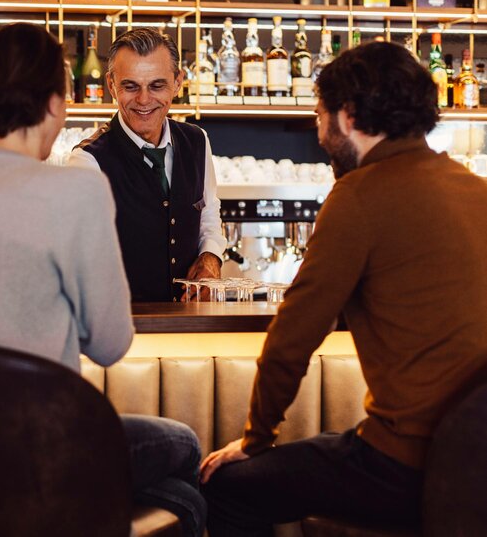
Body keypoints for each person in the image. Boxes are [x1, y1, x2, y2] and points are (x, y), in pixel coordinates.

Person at [0, 23, 206, 537]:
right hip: (44, 443)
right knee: (184, 447)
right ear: (58, 102)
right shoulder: (76, 188)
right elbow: (113, 343)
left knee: (180, 497)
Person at [199, 41, 487, 536]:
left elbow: (293, 336)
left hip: (410, 464)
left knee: (229, 487)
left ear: (348, 116)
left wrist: (255, 439)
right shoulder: (474, 189)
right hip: (474, 463)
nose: (318, 131)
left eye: (319, 116)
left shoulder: (357, 196)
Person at [69, 27, 226, 302]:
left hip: (191, 326)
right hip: (124, 331)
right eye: (130, 86)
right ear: (111, 85)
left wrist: (211, 256)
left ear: (178, 82)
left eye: (156, 85)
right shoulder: (88, 162)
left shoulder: (197, 141)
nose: (143, 100)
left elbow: (208, 213)